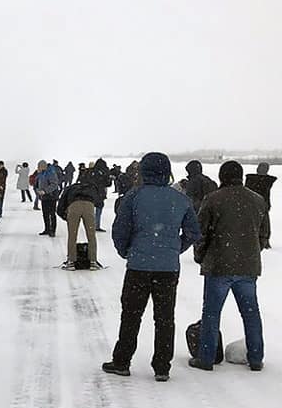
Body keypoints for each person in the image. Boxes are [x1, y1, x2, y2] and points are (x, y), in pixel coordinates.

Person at [103, 153, 201, 381]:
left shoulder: (134, 196)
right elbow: (193, 232)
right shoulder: (180, 199)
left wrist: (126, 251)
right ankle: (162, 367)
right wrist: (175, 249)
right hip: (168, 269)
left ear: (143, 171)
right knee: (165, 318)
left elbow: (120, 229)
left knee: (131, 315)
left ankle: (122, 361)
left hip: (138, 266)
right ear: (167, 171)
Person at [190, 161, 269, 372]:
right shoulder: (257, 200)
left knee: (211, 314)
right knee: (251, 314)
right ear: (241, 176)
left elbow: (201, 233)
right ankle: (256, 358)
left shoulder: (213, 199)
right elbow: (264, 234)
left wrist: (200, 256)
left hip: (218, 265)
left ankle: (205, 359)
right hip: (248, 267)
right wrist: (250, 253)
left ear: (222, 176)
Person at [57, 179, 101, 269]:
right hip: (89, 206)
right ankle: (93, 261)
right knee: (91, 235)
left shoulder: (70, 188)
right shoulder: (91, 187)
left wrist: (64, 216)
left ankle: (71, 262)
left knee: (72, 235)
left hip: (74, 206)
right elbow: (99, 201)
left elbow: (61, 204)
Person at [245, 163, 276, 248]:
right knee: (264, 225)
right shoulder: (267, 181)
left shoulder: (251, 179)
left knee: (254, 224)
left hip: (252, 205)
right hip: (262, 205)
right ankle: (264, 242)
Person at [35, 160, 61, 237]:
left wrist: (45, 191)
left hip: (51, 196)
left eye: (39, 166)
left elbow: (54, 184)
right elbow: (38, 183)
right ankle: (47, 229)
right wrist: (37, 190)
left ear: (43, 166)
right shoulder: (41, 173)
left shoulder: (51, 172)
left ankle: (52, 230)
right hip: (44, 197)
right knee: (45, 214)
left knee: (52, 214)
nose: (38, 168)